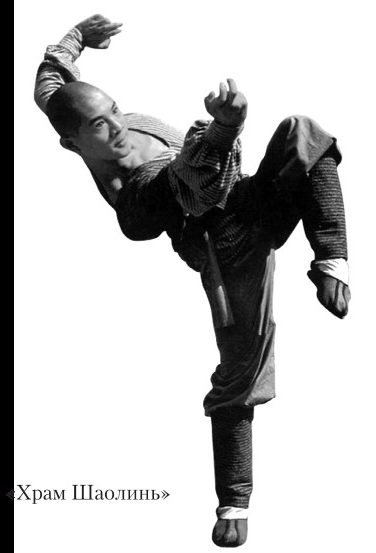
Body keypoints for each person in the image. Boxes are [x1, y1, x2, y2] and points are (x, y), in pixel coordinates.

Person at [34, 14, 350, 548]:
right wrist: (224, 130)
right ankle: (234, 501)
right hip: (228, 254)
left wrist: (74, 39)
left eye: (113, 110)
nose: (116, 127)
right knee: (239, 377)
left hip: (250, 202)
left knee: (304, 132)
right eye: (98, 126)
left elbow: (49, 85)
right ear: (73, 145)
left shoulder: (96, 114)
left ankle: (332, 260)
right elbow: (192, 185)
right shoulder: (132, 193)